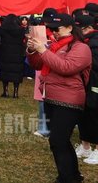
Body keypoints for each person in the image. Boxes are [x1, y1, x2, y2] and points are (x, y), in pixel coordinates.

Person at [27, 12, 91, 183]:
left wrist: (43, 50)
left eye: (57, 28)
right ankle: (72, 175)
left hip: (69, 100)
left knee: (58, 140)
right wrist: (33, 50)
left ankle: (67, 178)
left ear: (70, 28)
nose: (53, 32)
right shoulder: (54, 46)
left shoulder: (81, 48)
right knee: (60, 141)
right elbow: (38, 64)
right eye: (51, 28)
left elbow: (66, 67)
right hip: (51, 98)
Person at [0, 14, 26, 98]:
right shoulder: (21, 30)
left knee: (5, 73)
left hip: (5, 54)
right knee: (16, 74)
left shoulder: (3, 29)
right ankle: (15, 93)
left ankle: (5, 92)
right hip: (18, 55)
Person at [76, 14, 98, 164]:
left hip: (95, 85)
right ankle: (85, 146)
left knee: (95, 115)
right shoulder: (82, 41)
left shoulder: (94, 43)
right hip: (83, 85)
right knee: (83, 116)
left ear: (89, 28)